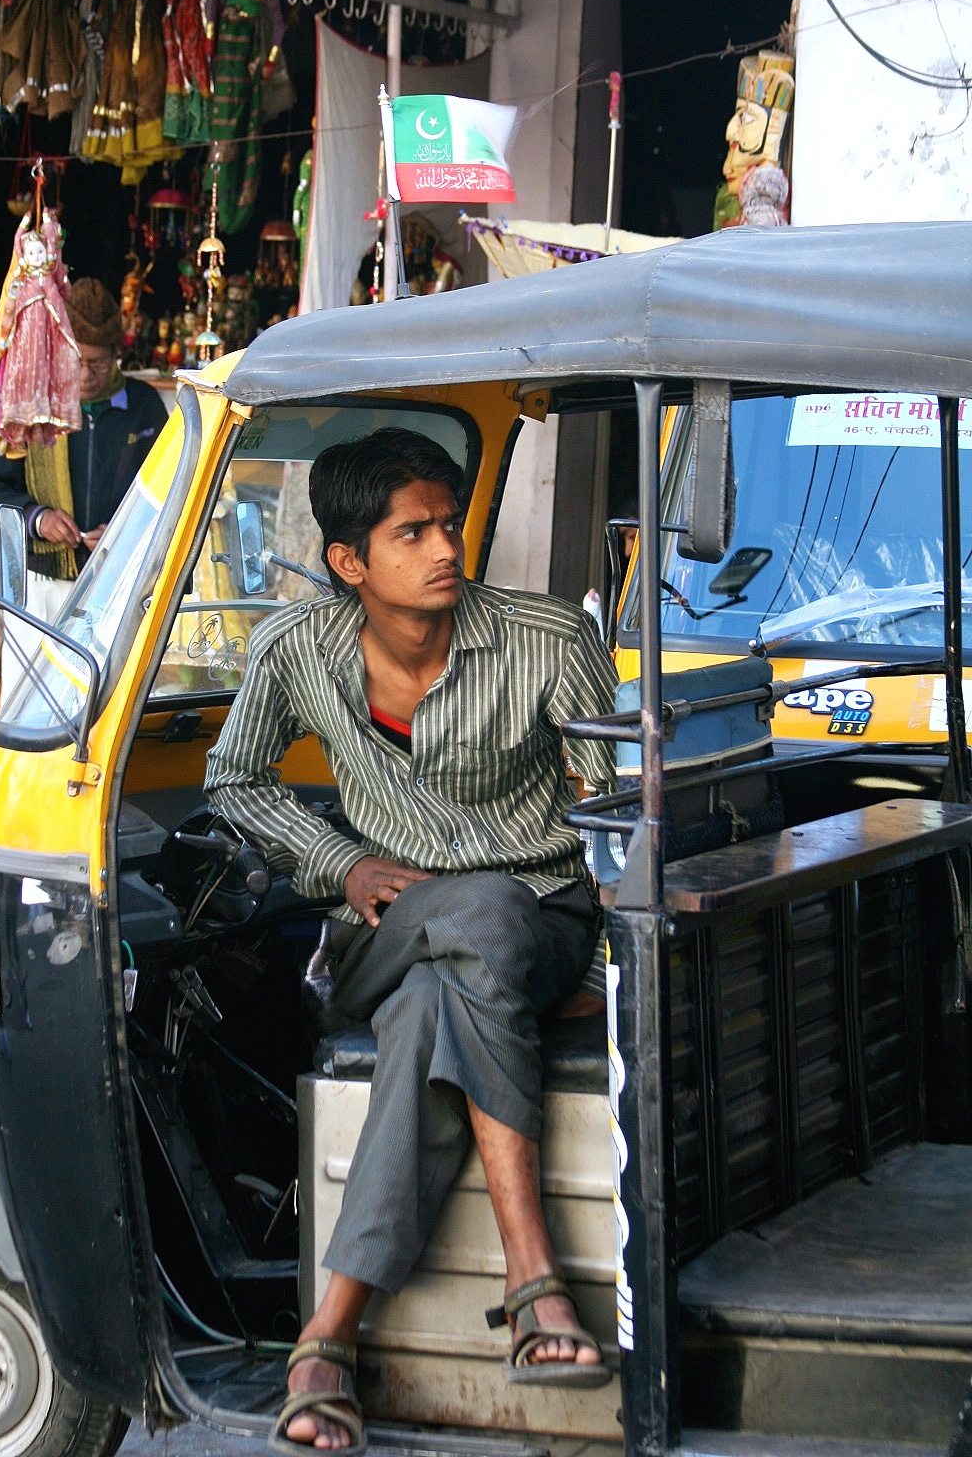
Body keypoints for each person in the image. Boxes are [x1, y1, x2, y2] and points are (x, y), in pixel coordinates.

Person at [204, 428, 619, 1455]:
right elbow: (235, 780)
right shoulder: (294, 651)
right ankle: (533, 1282)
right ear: (351, 562)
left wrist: (612, 971)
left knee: (469, 945)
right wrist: (339, 862)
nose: (447, 548)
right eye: (414, 531)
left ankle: (326, 1343)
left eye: (450, 524)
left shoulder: (548, 639)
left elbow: (621, 820)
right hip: (378, 930)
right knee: (450, 953)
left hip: (541, 921)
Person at [0, 276, 168, 701]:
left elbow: (172, 491)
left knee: (102, 705)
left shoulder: (144, 407)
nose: (85, 374)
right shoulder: (32, 406)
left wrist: (122, 531)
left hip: (116, 586)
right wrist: (37, 518)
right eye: (75, 360)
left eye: (98, 364)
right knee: (29, 701)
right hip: (40, 583)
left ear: (118, 355)